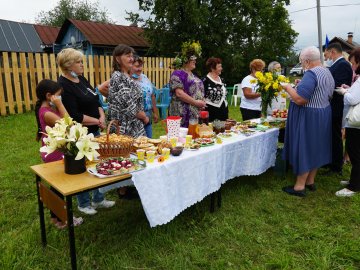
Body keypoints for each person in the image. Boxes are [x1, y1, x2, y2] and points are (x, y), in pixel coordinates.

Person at [57, 48, 115, 215]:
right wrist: (97, 120)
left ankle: (98, 198)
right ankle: (83, 203)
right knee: (81, 168)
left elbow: (95, 98)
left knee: (97, 164)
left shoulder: (81, 79)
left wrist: (102, 115)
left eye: (81, 61)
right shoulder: (63, 85)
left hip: (95, 129)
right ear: (68, 65)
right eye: (78, 62)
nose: (82, 64)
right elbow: (74, 115)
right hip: (79, 133)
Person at [282, 46, 335, 197]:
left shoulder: (311, 74)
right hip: (323, 112)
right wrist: (301, 84)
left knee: (305, 146)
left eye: (301, 61)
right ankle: (310, 181)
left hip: (309, 115)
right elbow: (328, 93)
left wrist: (287, 87)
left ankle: (299, 186)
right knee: (316, 146)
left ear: (306, 61)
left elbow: (300, 99)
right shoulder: (326, 71)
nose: (301, 64)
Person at [35, 79, 83, 228]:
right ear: (49, 95)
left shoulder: (47, 109)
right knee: (60, 186)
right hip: (55, 153)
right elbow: (69, 126)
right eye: (58, 95)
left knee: (56, 187)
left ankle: (56, 218)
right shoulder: (47, 113)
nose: (60, 98)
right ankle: (64, 219)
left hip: (55, 150)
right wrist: (61, 105)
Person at [107, 44, 148, 138]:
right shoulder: (118, 77)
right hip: (124, 129)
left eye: (132, 56)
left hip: (134, 126)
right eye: (128, 56)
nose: (131, 59)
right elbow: (130, 106)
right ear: (118, 59)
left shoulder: (127, 76)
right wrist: (144, 117)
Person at [335, 48, 360, 196]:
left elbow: (352, 99)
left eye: (353, 63)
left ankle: (354, 186)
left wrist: (345, 92)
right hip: (356, 123)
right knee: (355, 151)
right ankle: (355, 180)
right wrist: (350, 89)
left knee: (355, 153)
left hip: (356, 123)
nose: (352, 66)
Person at [325, 43, 353, 175]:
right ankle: (331, 162)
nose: (327, 57)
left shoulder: (342, 64)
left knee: (335, 136)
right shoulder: (338, 64)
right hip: (333, 104)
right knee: (332, 134)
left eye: (327, 54)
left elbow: (337, 84)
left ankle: (336, 166)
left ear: (332, 52)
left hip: (337, 105)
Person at [168, 41, 206, 127]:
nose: (195, 61)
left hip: (195, 115)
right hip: (181, 114)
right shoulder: (177, 74)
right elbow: (179, 93)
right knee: (180, 139)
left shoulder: (195, 77)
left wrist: (202, 102)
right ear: (185, 60)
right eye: (193, 58)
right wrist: (196, 103)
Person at [130, 55, 159, 138]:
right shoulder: (128, 80)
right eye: (137, 66)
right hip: (136, 116)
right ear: (130, 66)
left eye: (141, 66)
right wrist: (143, 116)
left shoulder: (144, 77)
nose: (140, 69)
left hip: (148, 113)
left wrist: (155, 112)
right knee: (138, 143)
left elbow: (152, 95)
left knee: (149, 140)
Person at [203, 57, 228, 121]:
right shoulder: (205, 80)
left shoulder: (222, 79)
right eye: (219, 67)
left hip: (223, 111)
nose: (221, 69)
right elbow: (201, 96)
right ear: (212, 68)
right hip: (211, 112)